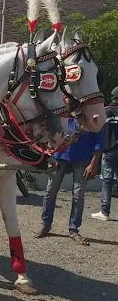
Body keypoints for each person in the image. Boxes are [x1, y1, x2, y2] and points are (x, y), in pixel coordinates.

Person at [35, 118, 103, 245]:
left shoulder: (90, 113)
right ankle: (45, 225)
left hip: (82, 158)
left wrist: (93, 163)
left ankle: (73, 230)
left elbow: (98, 138)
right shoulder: (64, 113)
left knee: (78, 195)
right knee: (50, 191)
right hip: (60, 157)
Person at [91, 86, 118, 222]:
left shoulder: (105, 112)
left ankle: (105, 212)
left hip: (108, 151)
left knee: (107, 182)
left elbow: (96, 128)